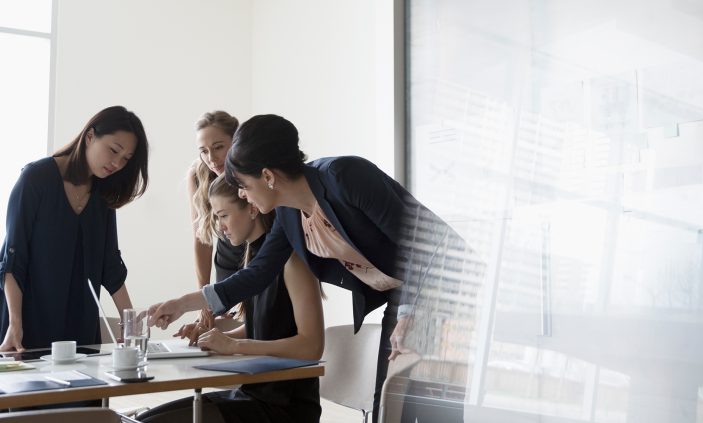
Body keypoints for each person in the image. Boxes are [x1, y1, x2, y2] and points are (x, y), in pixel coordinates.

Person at [149, 114, 465, 422]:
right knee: (390, 407)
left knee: (429, 407)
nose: (242, 195)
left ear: (268, 176)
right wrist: (183, 304)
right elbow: (257, 273)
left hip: (446, 285)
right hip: (403, 294)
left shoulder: (346, 176)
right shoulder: (289, 215)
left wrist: (412, 311)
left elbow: (426, 244)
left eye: (244, 185)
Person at [138, 175, 323, 423]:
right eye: (216, 217)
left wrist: (234, 346)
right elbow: (265, 329)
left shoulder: (292, 260)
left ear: (252, 208)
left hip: (283, 408)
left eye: (224, 215)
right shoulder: (253, 256)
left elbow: (311, 347)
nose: (220, 226)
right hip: (252, 394)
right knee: (142, 419)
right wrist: (216, 339)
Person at [0, 105, 149, 352]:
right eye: (114, 150)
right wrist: (15, 324)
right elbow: (12, 262)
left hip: (80, 328)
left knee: (86, 391)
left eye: (125, 159)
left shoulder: (103, 194)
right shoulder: (36, 179)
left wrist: (129, 324)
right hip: (28, 326)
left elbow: (110, 265)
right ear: (90, 136)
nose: (117, 163)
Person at [188, 111, 246, 330]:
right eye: (203, 151)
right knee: (217, 331)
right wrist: (205, 300)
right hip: (226, 263)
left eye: (219, 147)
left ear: (236, 140)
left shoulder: (253, 171)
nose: (211, 158)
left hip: (258, 260)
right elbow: (201, 240)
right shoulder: (198, 175)